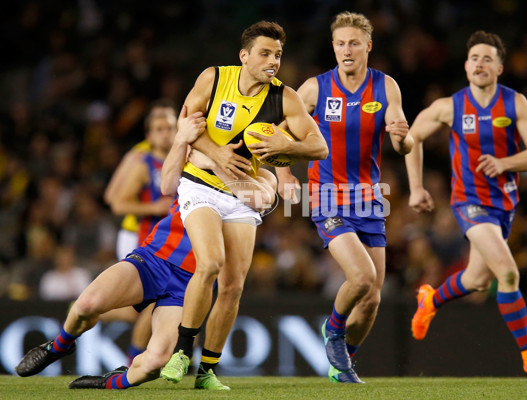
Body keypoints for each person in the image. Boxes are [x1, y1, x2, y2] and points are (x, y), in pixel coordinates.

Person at [14, 108, 278, 390]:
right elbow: (165, 186)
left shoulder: (262, 176)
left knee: (155, 362)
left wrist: (216, 164)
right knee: (86, 305)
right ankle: (59, 346)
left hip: (189, 285)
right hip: (155, 259)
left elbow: (262, 199)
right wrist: (184, 143)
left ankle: (111, 381)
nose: (248, 145)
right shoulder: (185, 157)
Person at [159, 20, 328, 390]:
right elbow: (187, 123)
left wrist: (288, 147)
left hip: (243, 194)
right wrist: (217, 154)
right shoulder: (215, 79)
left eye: (278, 55)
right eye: (265, 53)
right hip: (201, 184)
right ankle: (182, 351)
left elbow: (319, 147)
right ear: (244, 56)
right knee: (211, 262)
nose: (273, 61)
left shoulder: (285, 98)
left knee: (233, 285)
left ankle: (207, 372)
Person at [404, 30, 527, 377]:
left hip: (503, 204)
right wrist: (415, 187)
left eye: (488, 58)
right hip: (469, 202)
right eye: (475, 58)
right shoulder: (450, 106)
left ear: (500, 68)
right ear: (466, 66)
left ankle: (431, 300)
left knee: (474, 280)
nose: (480, 63)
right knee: (507, 272)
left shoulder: (515, 103)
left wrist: (505, 163)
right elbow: (412, 138)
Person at [276, 12, 412, 384]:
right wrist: (284, 173)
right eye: (340, 43)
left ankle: (342, 363)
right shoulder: (315, 89)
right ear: (333, 48)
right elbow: (276, 131)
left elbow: (402, 139)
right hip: (327, 197)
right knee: (362, 276)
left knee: (371, 300)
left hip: (370, 200)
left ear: (368, 46)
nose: (346, 50)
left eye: (354, 43)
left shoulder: (386, 87)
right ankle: (332, 330)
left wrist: (404, 137)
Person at [101, 103, 177, 364]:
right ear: (149, 134)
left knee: (152, 304)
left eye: (170, 128)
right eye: (159, 129)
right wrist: (153, 207)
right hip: (137, 236)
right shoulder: (139, 158)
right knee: (152, 302)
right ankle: (133, 359)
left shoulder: (187, 155)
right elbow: (114, 200)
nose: (166, 134)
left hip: (169, 239)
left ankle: (96, 308)